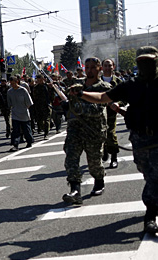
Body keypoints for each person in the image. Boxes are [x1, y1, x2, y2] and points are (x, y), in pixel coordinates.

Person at [73, 46, 158, 234]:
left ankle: (150, 214)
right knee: (147, 173)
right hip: (140, 140)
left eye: (150, 62)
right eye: (142, 62)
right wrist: (81, 94)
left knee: (155, 178)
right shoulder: (131, 85)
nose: (146, 66)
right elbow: (103, 97)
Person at [61, 57, 110, 205]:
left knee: (94, 162)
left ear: (99, 68)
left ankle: (99, 181)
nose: (89, 70)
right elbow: (70, 103)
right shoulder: (77, 85)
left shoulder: (103, 87)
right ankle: (75, 191)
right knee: (71, 159)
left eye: (92, 67)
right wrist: (66, 105)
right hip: (75, 129)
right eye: (87, 67)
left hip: (94, 130)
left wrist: (78, 105)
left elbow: (97, 110)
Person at [101, 58, 124, 169]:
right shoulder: (97, 81)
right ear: (101, 67)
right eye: (105, 65)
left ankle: (114, 158)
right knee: (100, 134)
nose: (107, 68)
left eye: (109, 65)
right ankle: (104, 150)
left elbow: (125, 97)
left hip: (111, 112)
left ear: (113, 67)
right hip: (98, 113)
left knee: (111, 133)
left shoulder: (118, 82)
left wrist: (118, 103)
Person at [7, 76, 34, 152]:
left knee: (26, 129)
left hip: (24, 113)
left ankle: (29, 141)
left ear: (17, 82)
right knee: (16, 130)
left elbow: (29, 102)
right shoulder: (10, 92)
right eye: (11, 83)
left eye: (14, 83)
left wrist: (25, 108)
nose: (12, 85)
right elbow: (9, 104)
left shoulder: (23, 90)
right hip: (15, 114)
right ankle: (15, 144)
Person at [32, 75, 53, 139]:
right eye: (38, 80)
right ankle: (49, 126)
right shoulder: (36, 87)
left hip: (46, 105)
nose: (39, 81)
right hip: (38, 106)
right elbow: (34, 97)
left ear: (43, 79)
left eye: (40, 79)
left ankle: (46, 134)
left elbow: (52, 95)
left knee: (46, 119)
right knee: (40, 121)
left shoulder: (47, 86)